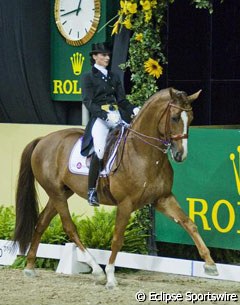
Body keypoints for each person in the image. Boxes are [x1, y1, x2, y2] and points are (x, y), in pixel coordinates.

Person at [81, 42, 140, 206]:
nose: (107, 58)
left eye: (108, 55)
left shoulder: (114, 76)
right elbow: (88, 102)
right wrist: (105, 116)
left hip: (117, 116)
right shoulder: (88, 77)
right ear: (94, 57)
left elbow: (121, 100)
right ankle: (91, 190)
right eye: (103, 55)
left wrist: (133, 109)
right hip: (100, 119)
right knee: (99, 150)